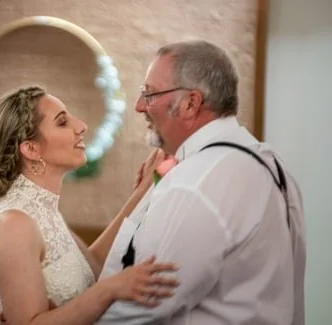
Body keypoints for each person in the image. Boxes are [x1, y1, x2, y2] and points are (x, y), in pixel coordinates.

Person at [94, 40, 306, 324]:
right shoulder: (270, 163)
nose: (139, 105)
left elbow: (142, 308)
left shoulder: (195, 181)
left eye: (150, 93)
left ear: (191, 103)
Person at [0, 85, 181, 325]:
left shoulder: (42, 212)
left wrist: (145, 187)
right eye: (62, 122)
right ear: (31, 149)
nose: (81, 125)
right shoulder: (13, 223)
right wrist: (109, 290)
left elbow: (91, 265)